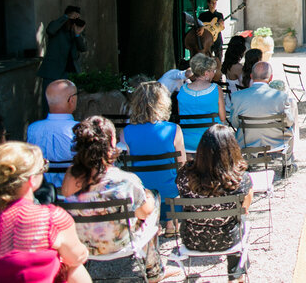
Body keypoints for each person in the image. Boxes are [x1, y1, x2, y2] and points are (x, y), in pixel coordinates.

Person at [62, 116, 176, 282]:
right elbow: (144, 213)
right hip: (121, 242)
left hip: (84, 243)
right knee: (153, 199)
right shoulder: (125, 180)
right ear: (111, 144)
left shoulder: (71, 175)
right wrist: (150, 198)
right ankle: (153, 270)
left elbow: (67, 199)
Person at [0, 142, 90, 282]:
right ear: (31, 179)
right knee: (73, 267)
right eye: (42, 168)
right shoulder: (51, 218)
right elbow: (76, 257)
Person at [176, 124, 253, 283]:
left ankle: (237, 275)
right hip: (227, 239)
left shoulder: (185, 174)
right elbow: (244, 209)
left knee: (235, 222)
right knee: (237, 221)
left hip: (192, 238)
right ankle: (237, 275)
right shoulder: (240, 179)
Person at [121, 82, 187, 226]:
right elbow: (182, 163)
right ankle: (171, 223)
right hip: (169, 190)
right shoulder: (174, 129)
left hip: (142, 191)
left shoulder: (127, 132)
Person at [229, 61, 296, 163]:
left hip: (247, 142)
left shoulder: (237, 96)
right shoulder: (281, 96)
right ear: (271, 77)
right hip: (276, 142)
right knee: (292, 124)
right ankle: (288, 162)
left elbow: (235, 123)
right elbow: (289, 122)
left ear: (251, 76)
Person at [26, 79, 79, 187]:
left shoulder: (33, 129)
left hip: (42, 188)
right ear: (71, 100)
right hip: (75, 189)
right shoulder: (82, 129)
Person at [37, 5, 87, 111]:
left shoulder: (75, 31)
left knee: (69, 103)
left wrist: (78, 35)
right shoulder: (56, 27)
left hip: (69, 72)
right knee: (49, 103)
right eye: (72, 18)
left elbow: (83, 48)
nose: (74, 21)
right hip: (52, 72)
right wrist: (65, 17)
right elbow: (50, 30)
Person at [177, 53, 226, 153]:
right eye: (213, 71)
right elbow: (223, 117)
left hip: (187, 141)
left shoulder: (182, 90)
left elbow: (180, 115)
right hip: (212, 140)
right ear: (206, 73)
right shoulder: (216, 89)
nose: (214, 73)